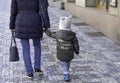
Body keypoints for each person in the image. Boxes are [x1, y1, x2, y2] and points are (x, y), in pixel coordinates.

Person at [9, 0, 50, 79]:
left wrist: (12, 25)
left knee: (25, 48)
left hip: (21, 21)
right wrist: (46, 24)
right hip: (36, 21)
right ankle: (37, 68)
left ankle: (29, 72)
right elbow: (43, 8)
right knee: (37, 45)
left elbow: (13, 10)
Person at [45, 16, 79, 82]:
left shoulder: (58, 34)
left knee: (64, 64)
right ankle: (66, 72)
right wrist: (77, 51)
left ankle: (66, 74)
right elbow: (76, 44)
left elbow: (51, 34)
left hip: (61, 53)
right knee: (67, 63)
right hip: (69, 54)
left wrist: (46, 30)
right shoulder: (72, 35)